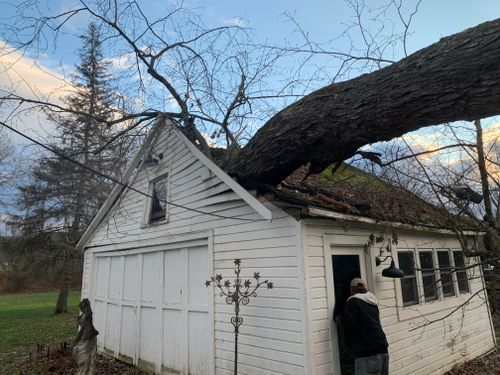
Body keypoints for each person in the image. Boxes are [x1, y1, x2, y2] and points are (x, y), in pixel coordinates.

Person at [335, 278, 389, 375]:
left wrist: (338, 317)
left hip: (367, 354)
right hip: (383, 350)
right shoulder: (372, 301)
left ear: (352, 289)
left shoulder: (353, 302)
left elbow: (348, 324)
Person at [73, 298, 99, 375]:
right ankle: (85, 371)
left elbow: (83, 330)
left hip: (88, 337)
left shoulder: (87, 316)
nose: (80, 310)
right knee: (88, 356)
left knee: (87, 356)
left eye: (81, 308)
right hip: (89, 336)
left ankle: (86, 372)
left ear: (84, 308)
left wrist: (77, 339)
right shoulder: (86, 315)